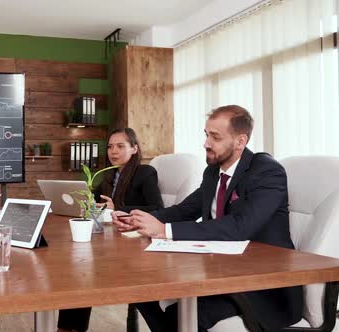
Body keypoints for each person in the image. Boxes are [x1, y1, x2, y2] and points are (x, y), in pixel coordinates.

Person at [113, 105, 303, 331]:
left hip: (262, 283)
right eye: (206, 134)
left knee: (181, 315)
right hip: (219, 270)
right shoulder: (213, 171)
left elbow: (240, 227)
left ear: (240, 142)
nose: (206, 143)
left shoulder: (266, 171)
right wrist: (140, 218)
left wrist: (164, 230)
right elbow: (185, 209)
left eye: (215, 137)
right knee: (141, 288)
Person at [57, 127, 164, 332]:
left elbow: (158, 208)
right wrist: (87, 203)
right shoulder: (109, 175)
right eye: (110, 146)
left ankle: (69, 328)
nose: (113, 151)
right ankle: (68, 328)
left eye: (120, 146)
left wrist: (119, 208)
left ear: (134, 149)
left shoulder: (145, 172)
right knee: (78, 270)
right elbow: (96, 201)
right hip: (111, 239)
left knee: (82, 271)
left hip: (133, 247)